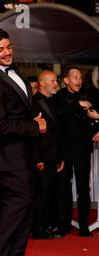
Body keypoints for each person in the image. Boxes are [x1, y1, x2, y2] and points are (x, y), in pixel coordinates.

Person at [0, 29, 45, 256]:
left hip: (25, 154)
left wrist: (33, 127)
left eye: (8, 47)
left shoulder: (15, 71)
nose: (6, 52)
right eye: (0, 49)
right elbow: (0, 125)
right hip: (9, 156)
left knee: (25, 206)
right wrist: (34, 126)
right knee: (16, 206)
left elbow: (21, 111)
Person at [53, 66, 98, 237]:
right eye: (75, 77)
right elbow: (58, 112)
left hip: (83, 148)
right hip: (64, 149)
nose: (78, 80)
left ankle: (84, 225)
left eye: (80, 77)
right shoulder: (59, 97)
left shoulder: (89, 95)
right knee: (63, 187)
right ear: (66, 80)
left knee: (83, 188)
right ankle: (63, 225)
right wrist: (78, 105)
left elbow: (96, 115)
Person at [31, 70, 65, 239]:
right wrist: (37, 159)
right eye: (52, 81)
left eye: (55, 81)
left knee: (49, 193)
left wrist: (59, 157)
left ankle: (44, 226)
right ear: (42, 83)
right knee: (41, 194)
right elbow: (33, 135)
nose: (55, 84)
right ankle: (37, 229)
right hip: (41, 157)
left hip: (52, 156)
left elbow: (55, 133)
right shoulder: (33, 103)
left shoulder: (52, 102)